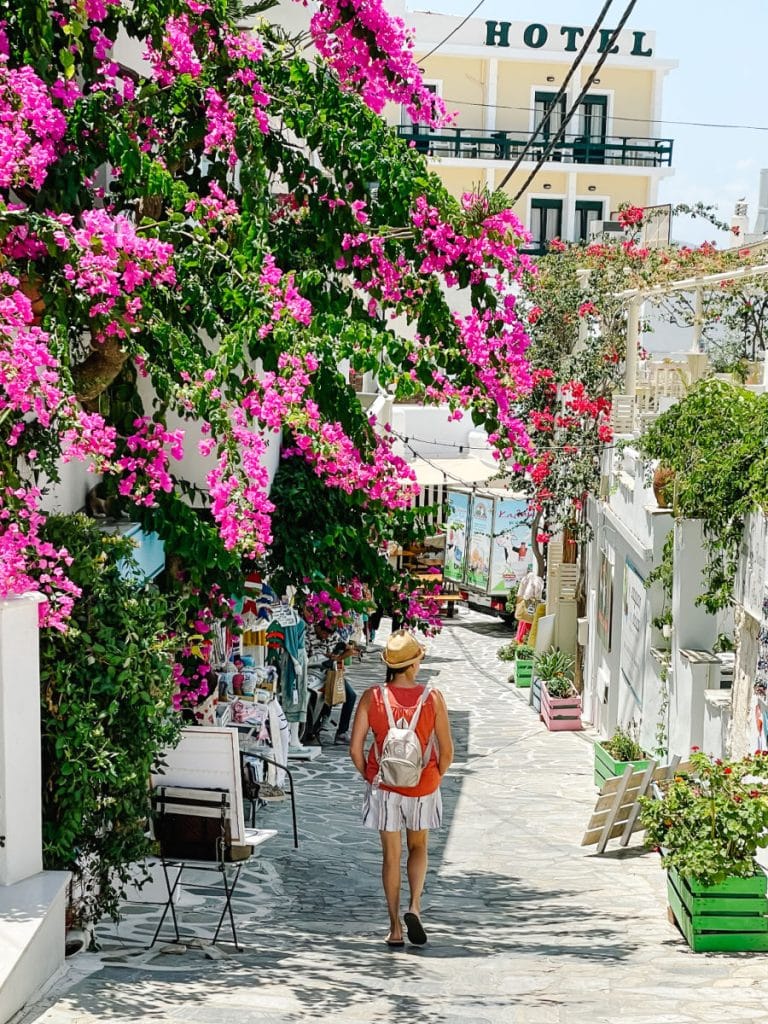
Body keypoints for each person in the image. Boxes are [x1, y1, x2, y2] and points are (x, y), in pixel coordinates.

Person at [349, 630, 454, 948]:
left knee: (390, 856)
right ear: (411, 665)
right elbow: (447, 751)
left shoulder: (372, 697)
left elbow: (356, 749)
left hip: (384, 787)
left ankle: (394, 927)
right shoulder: (432, 698)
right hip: (422, 786)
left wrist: (372, 778)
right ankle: (415, 906)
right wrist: (434, 777)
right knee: (419, 847)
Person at [307, 621, 358, 744]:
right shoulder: (308, 634)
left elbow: (349, 650)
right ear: (318, 627)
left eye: (329, 634)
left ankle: (341, 732)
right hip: (311, 672)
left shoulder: (333, 636)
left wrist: (336, 658)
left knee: (351, 695)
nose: (326, 637)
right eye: (324, 633)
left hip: (328, 673)